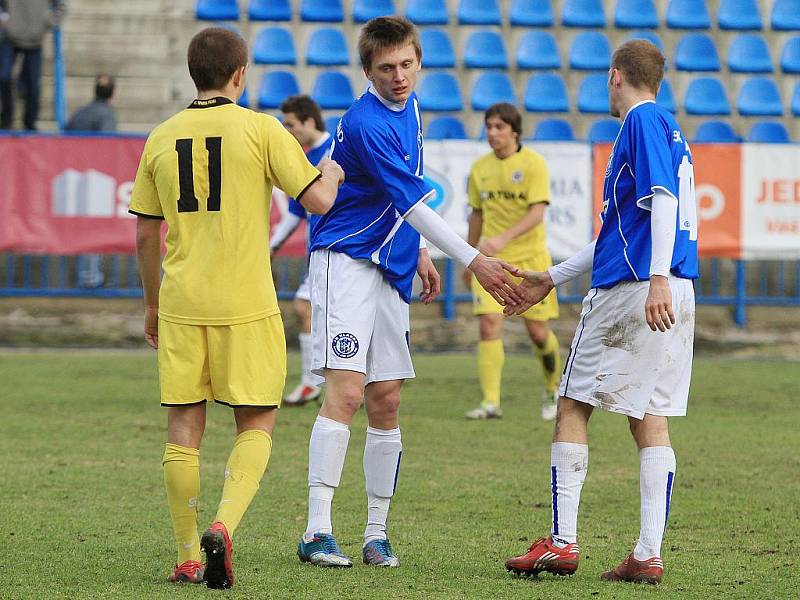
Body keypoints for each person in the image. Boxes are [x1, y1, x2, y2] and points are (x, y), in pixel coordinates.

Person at [296, 16, 523, 569]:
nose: (399, 76)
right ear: (367, 71)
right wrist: (474, 260)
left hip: (391, 264)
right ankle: (317, 529)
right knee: (347, 392)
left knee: (387, 397)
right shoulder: (366, 122)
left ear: (419, 61)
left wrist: (418, 251)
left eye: (407, 64)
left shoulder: (413, 106)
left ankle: (377, 531)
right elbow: (413, 203)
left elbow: (408, 190)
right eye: (386, 68)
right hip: (346, 259)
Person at [129, 27, 343, 589]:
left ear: (192, 72)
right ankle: (223, 526)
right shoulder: (261, 129)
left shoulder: (161, 136)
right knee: (257, 421)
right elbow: (319, 201)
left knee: (183, 428)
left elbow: (147, 236)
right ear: (240, 74)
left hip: (180, 300)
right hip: (246, 302)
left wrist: (152, 304)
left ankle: (185, 555)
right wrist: (336, 169)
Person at [502, 40, 697, 585]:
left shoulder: (639, 122)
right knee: (648, 415)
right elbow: (618, 232)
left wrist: (655, 276)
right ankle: (647, 553)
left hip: (638, 287)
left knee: (572, 403)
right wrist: (550, 277)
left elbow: (663, 199)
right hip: (675, 286)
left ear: (615, 76)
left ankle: (563, 543)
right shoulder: (670, 130)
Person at [462, 103, 561, 422]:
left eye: (499, 127)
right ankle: (490, 402)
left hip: (530, 262)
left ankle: (552, 387)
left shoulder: (533, 164)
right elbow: (476, 214)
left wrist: (503, 239)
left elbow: (537, 212)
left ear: (514, 132)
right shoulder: (480, 168)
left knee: (538, 333)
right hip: (491, 263)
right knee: (489, 324)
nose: (492, 133)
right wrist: (469, 257)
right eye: (488, 126)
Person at [271, 94, 334, 406]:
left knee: (304, 307)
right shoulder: (308, 159)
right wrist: (272, 245)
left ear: (309, 122)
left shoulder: (336, 150)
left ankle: (314, 382)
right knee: (314, 311)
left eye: (291, 124)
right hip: (321, 253)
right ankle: (343, 383)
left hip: (340, 250)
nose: (288, 130)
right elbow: (296, 211)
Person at [66, 74, 118, 288]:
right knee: (93, 228)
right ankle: (90, 277)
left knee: (82, 227)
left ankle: (83, 275)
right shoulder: (106, 115)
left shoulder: (80, 113)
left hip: (75, 176)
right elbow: (107, 147)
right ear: (113, 93)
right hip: (95, 179)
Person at [0, 0, 66, 130]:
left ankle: (30, 123)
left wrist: (48, 21)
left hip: (35, 40)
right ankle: (6, 118)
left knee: (33, 85)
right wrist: (4, 20)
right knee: (4, 76)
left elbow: (61, 6)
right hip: (10, 36)